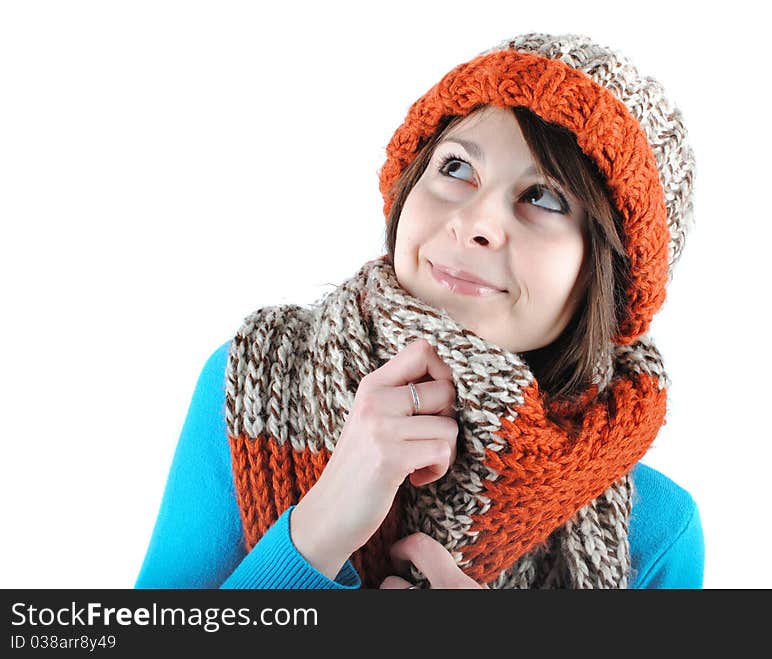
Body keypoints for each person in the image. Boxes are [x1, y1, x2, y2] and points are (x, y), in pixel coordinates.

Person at [135, 32, 704, 590]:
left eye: (543, 198)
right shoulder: (254, 388)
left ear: (609, 274)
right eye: (456, 169)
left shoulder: (655, 536)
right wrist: (317, 533)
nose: (476, 222)